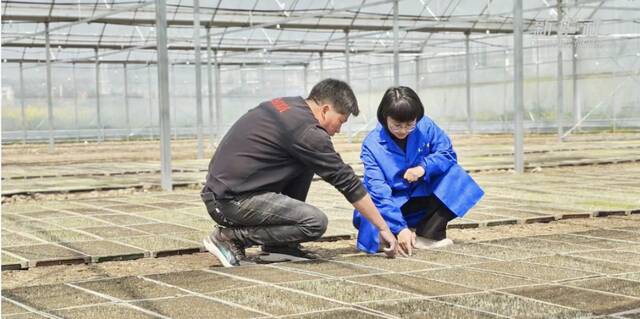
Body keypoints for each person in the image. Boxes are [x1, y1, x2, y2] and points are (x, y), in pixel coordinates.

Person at [201, 79, 398, 267]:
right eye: (340, 121)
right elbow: (347, 182)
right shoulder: (307, 133)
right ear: (325, 110)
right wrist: (382, 227)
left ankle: (280, 246)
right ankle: (229, 238)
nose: (339, 129)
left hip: (225, 190)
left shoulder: (288, 106)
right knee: (314, 222)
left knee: (306, 161)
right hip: (229, 201)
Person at [353, 86, 484, 256]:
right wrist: (399, 228)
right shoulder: (372, 144)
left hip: (421, 198)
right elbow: (378, 190)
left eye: (410, 124)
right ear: (385, 118)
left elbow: (447, 154)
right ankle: (393, 233)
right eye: (397, 125)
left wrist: (424, 167)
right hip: (392, 203)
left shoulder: (426, 126)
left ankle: (427, 235)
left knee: (454, 175)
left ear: (418, 118)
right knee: (370, 203)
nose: (403, 131)